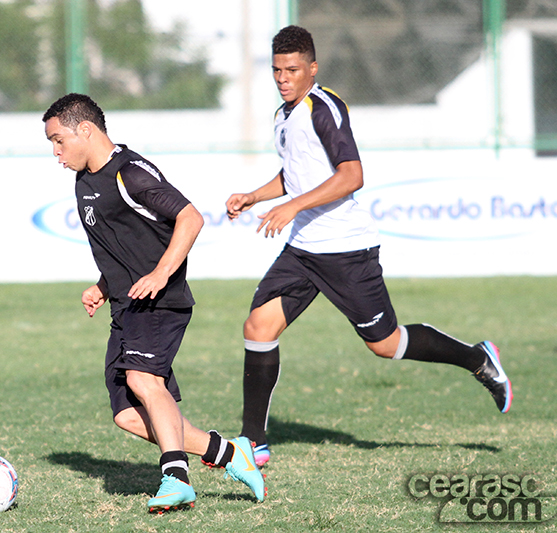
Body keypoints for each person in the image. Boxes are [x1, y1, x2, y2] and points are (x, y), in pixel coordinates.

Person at [225, 26, 513, 468]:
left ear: (312, 68)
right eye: (277, 70)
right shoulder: (283, 115)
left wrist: (292, 206)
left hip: (346, 249)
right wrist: (255, 196)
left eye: (292, 70)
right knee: (258, 328)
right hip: (303, 250)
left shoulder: (325, 108)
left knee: (386, 344)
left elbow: (351, 174)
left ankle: (477, 358)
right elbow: (297, 173)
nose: (283, 78)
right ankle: (252, 441)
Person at [42, 93, 265, 512]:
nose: (55, 152)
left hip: (161, 301)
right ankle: (231, 453)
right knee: (127, 415)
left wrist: (161, 273)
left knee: (146, 382)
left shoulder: (130, 173)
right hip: (126, 306)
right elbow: (124, 245)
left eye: (58, 140)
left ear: (84, 130)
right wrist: (103, 286)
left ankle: (176, 478)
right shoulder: (84, 181)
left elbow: (190, 217)